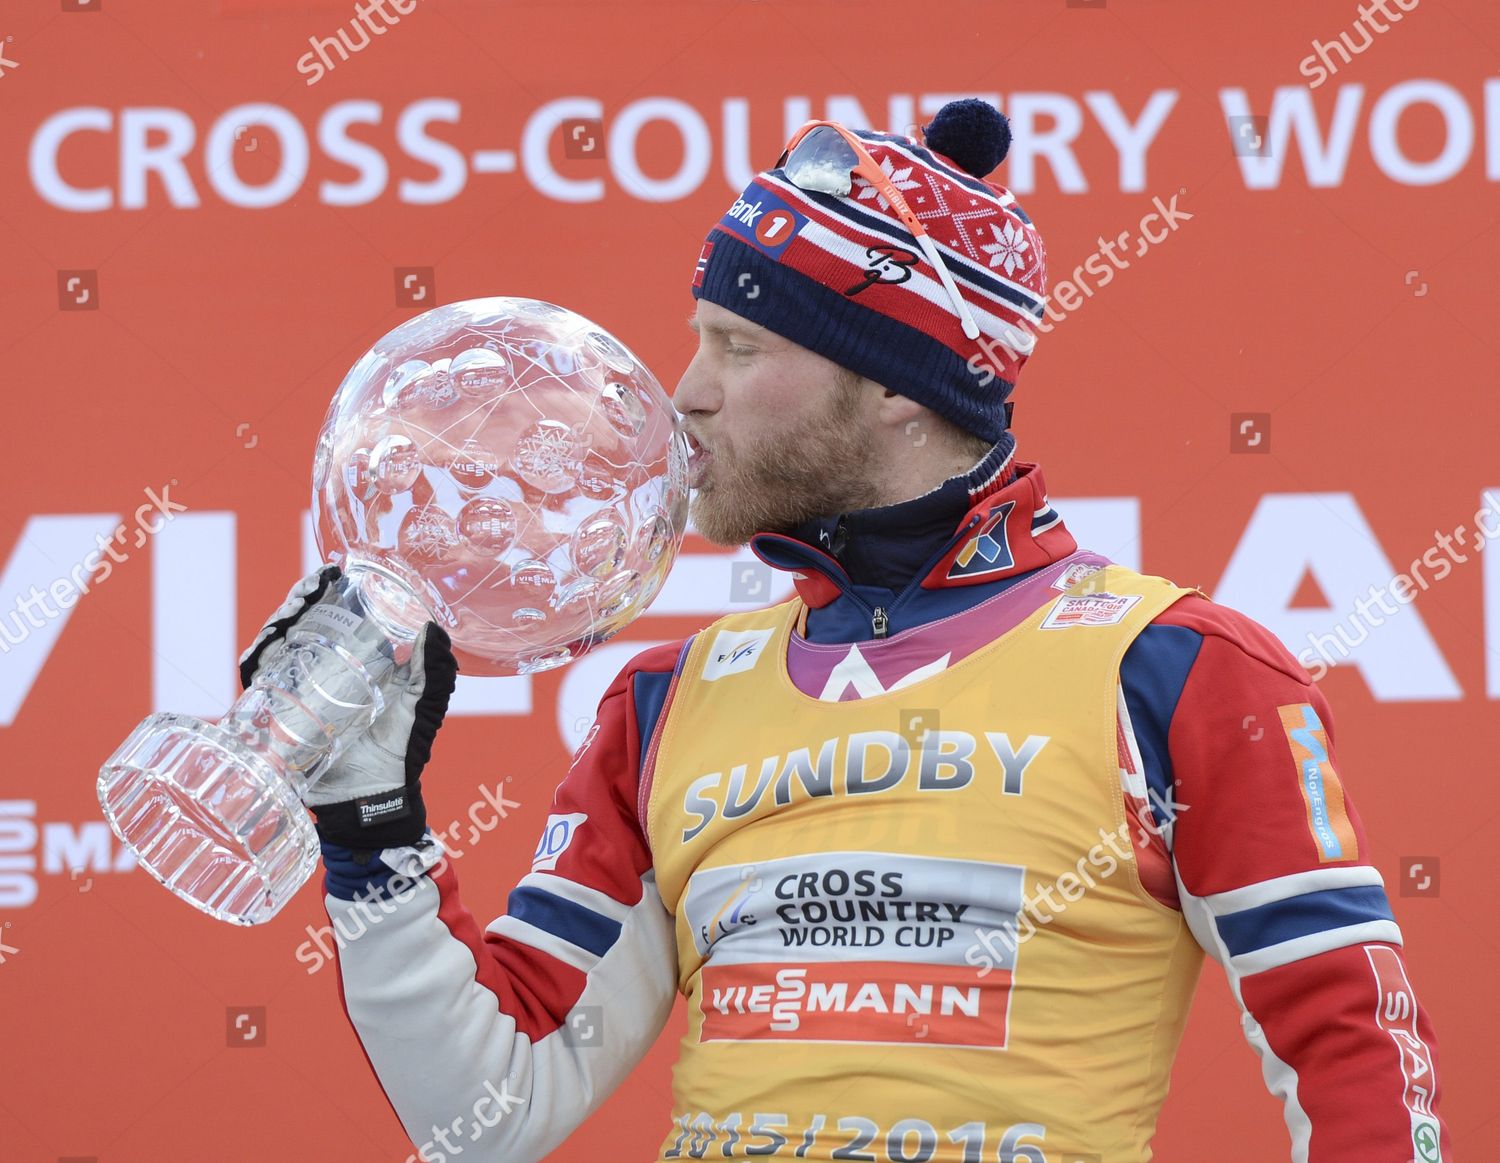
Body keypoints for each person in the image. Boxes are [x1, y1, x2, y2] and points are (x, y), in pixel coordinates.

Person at [242, 99, 1450, 1162]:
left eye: (739, 344)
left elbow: (1355, 1053)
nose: (685, 391)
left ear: (897, 387)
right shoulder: (665, 700)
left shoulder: (1173, 668)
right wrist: (369, 825)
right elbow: (493, 1109)